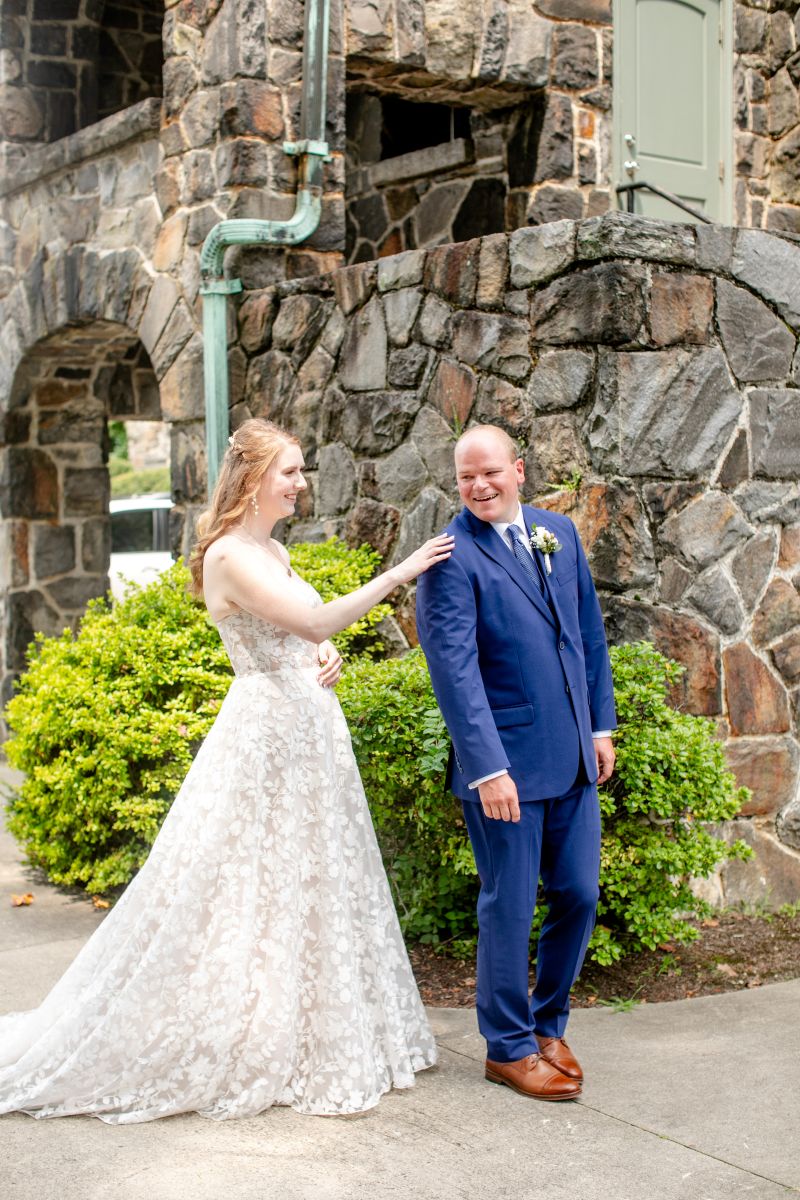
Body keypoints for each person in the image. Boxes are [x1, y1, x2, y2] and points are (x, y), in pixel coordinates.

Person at [0, 418, 454, 1122]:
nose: (301, 484)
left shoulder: (270, 548)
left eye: (300, 471)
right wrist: (396, 574)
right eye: (291, 472)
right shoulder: (230, 554)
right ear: (251, 481)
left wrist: (322, 660)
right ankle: (248, 1034)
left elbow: (303, 629)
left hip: (307, 727)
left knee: (304, 876)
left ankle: (297, 1029)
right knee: (246, 882)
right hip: (268, 736)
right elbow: (312, 623)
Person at [416, 424, 616, 1102]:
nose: (478, 486)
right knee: (508, 905)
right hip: (503, 770)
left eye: (490, 473)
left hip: (572, 758)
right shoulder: (451, 557)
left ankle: (547, 1023)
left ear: (519, 471)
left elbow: (586, 632)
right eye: (466, 476)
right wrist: (486, 768)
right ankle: (506, 1048)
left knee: (581, 893)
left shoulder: (554, 532)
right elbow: (455, 673)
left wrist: (601, 725)